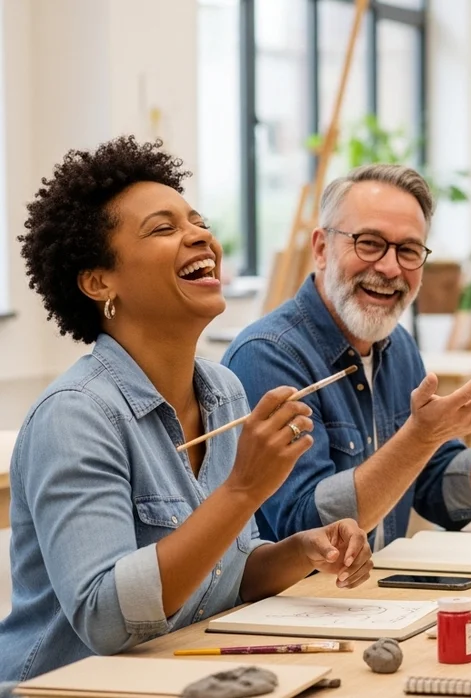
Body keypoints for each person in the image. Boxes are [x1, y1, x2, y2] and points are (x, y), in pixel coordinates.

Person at [0, 137, 372, 684]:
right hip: (67, 689)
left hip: (179, 678)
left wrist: (301, 552)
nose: (200, 235)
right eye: (163, 228)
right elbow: (106, 619)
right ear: (99, 282)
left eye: (197, 221)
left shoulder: (223, 389)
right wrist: (243, 489)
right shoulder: (75, 416)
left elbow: (226, 573)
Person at [223, 164, 471, 547]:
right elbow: (309, 529)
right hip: (293, 612)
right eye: (369, 244)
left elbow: (445, 495)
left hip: (375, 602)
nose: (389, 267)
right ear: (321, 248)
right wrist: (420, 436)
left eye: (409, 250)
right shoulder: (268, 356)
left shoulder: (396, 346)